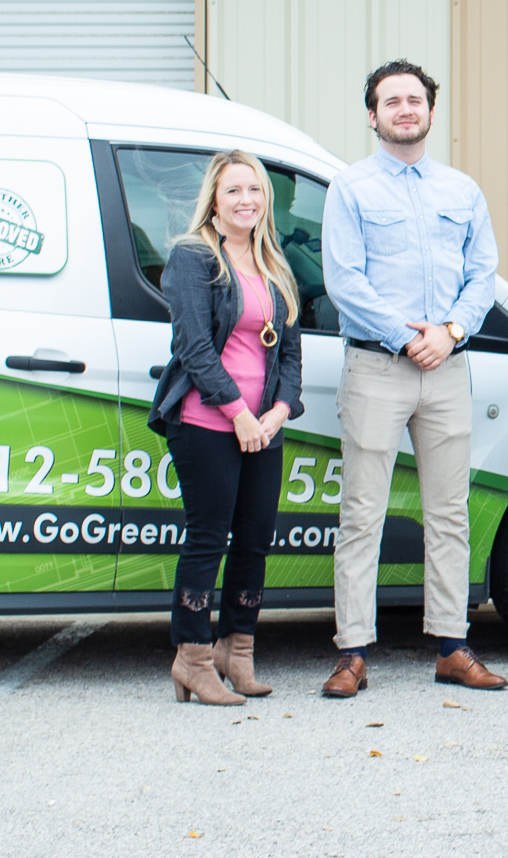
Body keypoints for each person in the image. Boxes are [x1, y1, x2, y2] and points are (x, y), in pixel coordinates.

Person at [319, 59, 506, 697]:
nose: (405, 109)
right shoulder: (350, 189)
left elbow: (483, 273)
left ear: (430, 110)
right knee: (362, 513)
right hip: (377, 365)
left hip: (448, 369)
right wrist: (407, 335)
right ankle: (351, 653)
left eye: (414, 100)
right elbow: (344, 279)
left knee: (449, 513)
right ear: (372, 115)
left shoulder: (462, 190)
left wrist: (449, 333)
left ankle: (452, 646)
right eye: (391, 100)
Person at [150, 150, 304, 705]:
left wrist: (276, 414)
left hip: (264, 425)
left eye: (255, 191)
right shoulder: (193, 257)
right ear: (214, 199)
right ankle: (191, 657)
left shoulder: (272, 262)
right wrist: (238, 414)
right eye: (234, 190)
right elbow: (194, 347)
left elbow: (290, 355)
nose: (247, 201)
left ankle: (236, 652)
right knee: (208, 538)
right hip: (208, 421)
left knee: (256, 542)